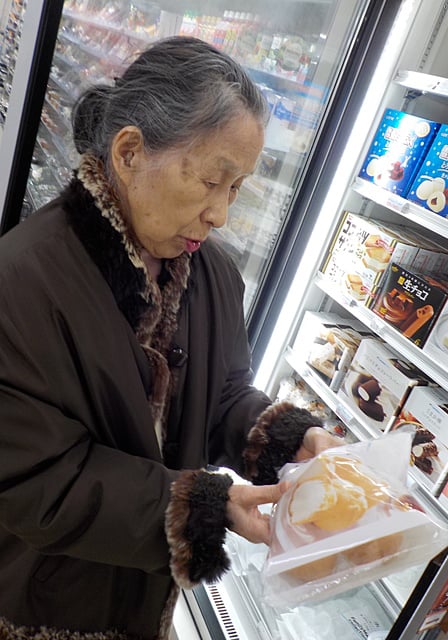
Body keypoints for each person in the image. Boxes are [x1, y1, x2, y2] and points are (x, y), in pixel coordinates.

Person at [0, 36, 341, 639]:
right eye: (212, 180)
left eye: (237, 189)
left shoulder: (213, 274)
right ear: (129, 152)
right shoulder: (21, 281)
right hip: (43, 604)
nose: (221, 215)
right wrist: (201, 508)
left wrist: (290, 439)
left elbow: (224, 391)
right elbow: (34, 481)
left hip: (145, 605)